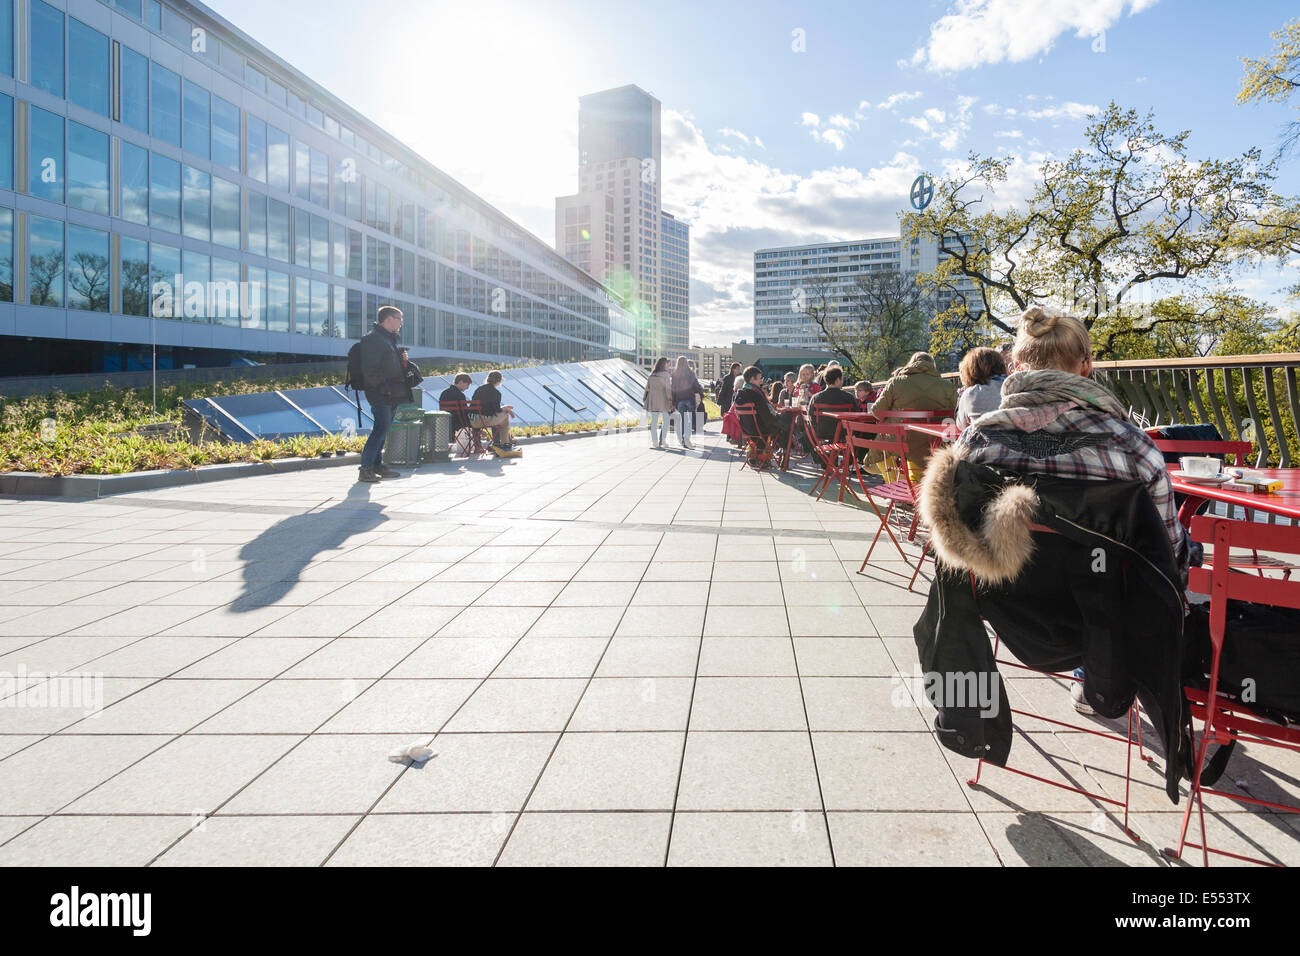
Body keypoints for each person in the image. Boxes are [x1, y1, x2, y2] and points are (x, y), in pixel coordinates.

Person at [951, 305, 1191, 714]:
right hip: (1109, 615)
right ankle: (1102, 675)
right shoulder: (1130, 445)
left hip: (1008, 606)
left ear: (1016, 366)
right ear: (1086, 366)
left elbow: (959, 528)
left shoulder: (978, 439)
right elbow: (1167, 552)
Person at [870, 351, 959, 482]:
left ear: (911, 364)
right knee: (917, 449)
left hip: (901, 438)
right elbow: (955, 413)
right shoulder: (948, 386)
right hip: (936, 441)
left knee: (881, 450)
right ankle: (912, 487)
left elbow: (877, 411)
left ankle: (898, 487)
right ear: (932, 366)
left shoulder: (896, 382)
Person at [357, 305, 407, 482]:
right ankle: (366, 468)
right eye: (399, 319)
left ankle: (377, 465)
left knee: (383, 430)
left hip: (391, 391)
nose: (401, 323)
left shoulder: (388, 339)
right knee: (380, 429)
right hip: (381, 392)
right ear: (389, 319)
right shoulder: (374, 339)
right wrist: (384, 388)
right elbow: (370, 369)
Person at [731, 365, 791, 452]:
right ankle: (785, 451)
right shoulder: (756, 393)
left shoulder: (739, 394)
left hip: (746, 429)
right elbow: (767, 415)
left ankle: (770, 453)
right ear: (752, 379)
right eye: (759, 378)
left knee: (783, 424)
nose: (761, 380)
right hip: (760, 429)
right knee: (787, 425)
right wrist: (777, 417)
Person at [471, 370, 522, 458]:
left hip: (472, 420)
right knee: (504, 417)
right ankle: (504, 444)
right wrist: (505, 409)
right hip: (484, 420)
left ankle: (499, 443)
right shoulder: (496, 393)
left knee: (499, 419)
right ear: (499, 381)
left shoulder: (479, 389)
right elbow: (495, 411)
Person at [954, 346, 1007, 430]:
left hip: (985, 441)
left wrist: (961, 396)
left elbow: (961, 425)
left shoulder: (970, 393)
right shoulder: (1013, 386)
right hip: (1018, 441)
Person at [807, 366, 858, 443]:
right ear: (838, 380)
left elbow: (810, 417)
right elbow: (856, 415)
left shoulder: (816, 398)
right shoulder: (849, 397)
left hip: (821, 432)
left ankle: (818, 454)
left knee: (806, 432)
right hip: (844, 432)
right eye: (842, 379)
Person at [670, 356, 703, 450]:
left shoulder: (675, 374)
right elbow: (696, 386)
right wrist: (700, 394)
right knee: (690, 421)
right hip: (689, 399)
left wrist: (673, 401)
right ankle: (686, 439)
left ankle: (684, 440)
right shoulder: (691, 373)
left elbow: (673, 389)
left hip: (679, 400)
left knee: (683, 420)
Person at [643, 357, 673, 448]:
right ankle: (663, 440)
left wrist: (644, 399)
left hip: (653, 400)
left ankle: (655, 442)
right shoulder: (666, 375)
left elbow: (647, 388)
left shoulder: (652, 375)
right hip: (664, 400)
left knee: (654, 422)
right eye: (667, 364)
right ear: (664, 364)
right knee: (666, 421)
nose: (669, 366)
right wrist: (670, 400)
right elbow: (668, 389)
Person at [438, 372, 474, 439]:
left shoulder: (444, 393)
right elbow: (464, 413)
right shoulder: (460, 395)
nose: (467, 388)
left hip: (445, 420)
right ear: (460, 382)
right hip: (459, 422)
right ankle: (477, 445)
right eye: (467, 385)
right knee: (476, 421)